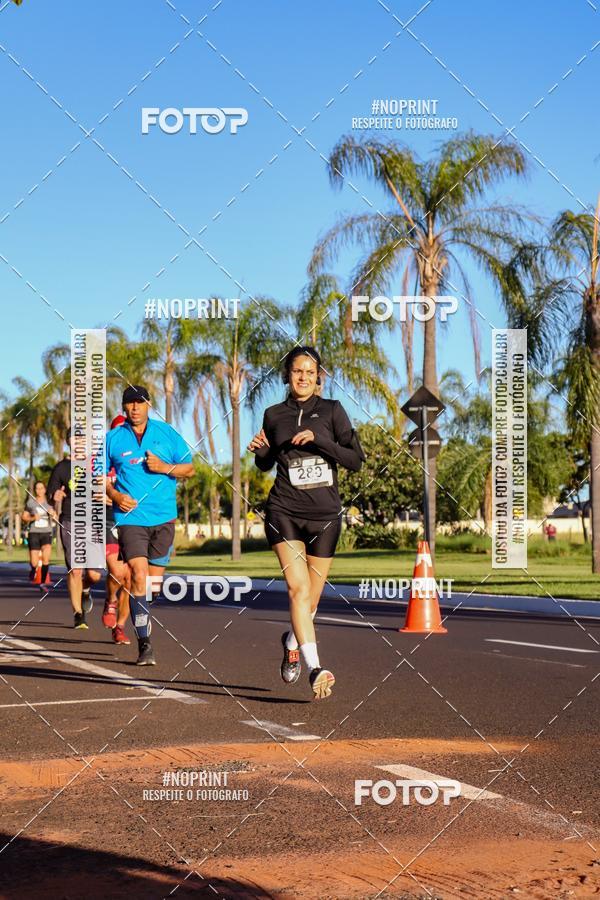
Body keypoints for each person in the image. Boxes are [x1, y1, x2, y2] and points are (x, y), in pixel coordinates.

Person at [248, 346, 365, 699]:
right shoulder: (273, 414)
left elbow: (355, 460)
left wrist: (320, 440)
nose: (303, 377)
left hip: (325, 517)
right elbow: (265, 464)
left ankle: (291, 641)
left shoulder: (332, 411)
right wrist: (261, 451)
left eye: (310, 372)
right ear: (287, 375)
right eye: (297, 371)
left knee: (310, 602)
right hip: (284, 510)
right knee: (297, 591)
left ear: (319, 378)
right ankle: (315, 667)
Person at [104, 385, 194, 665]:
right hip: (130, 518)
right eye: (130, 403)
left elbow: (189, 468)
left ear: (148, 405)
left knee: (152, 586)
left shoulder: (167, 433)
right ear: (124, 407)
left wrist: (164, 467)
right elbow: (100, 479)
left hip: (164, 517)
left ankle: (140, 607)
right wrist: (116, 496)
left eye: (140, 402)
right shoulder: (112, 438)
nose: (135, 407)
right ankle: (145, 644)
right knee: (138, 575)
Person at [47, 428, 102, 629]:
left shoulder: (95, 464)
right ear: (68, 442)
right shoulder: (61, 468)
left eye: (82, 438)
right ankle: (78, 614)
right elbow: (51, 494)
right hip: (71, 520)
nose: (79, 441)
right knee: (76, 569)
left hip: (94, 520)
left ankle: (85, 589)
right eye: (74, 438)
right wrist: (55, 498)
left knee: (94, 575)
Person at [102, 414, 132, 645]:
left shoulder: (136, 459)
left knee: (131, 579)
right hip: (109, 519)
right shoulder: (102, 460)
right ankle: (111, 598)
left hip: (134, 521)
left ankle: (120, 627)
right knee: (117, 571)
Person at [22, 481, 55, 589]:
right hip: (34, 533)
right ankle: (33, 569)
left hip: (47, 532)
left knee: (46, 558)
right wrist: (33, 518)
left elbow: (56, 516)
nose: (39, 490)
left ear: (45, 490)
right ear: (35, 490)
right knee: (34, 562)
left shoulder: (50, 502)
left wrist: (53, 514)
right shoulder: (31, 503)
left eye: (41, 488)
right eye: (37, 488)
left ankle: (42, 582)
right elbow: (24, 517)